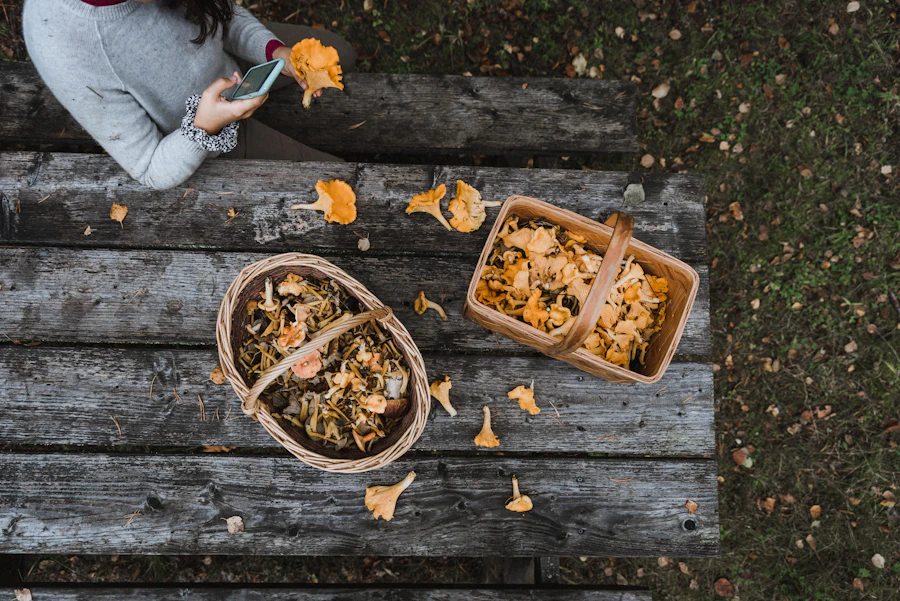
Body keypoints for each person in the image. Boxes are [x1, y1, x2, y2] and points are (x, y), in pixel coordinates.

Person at [22, 0, 356, 190]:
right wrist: (205, 126)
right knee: (345, 180)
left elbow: (217, 14)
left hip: (231, 65)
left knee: (341, 53)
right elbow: (149, 168)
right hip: (203, 134)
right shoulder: (63, 44)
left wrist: (272, 50)